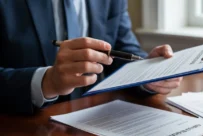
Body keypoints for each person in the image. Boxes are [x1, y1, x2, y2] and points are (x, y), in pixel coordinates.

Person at [0, 0, 182, 114]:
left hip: (91, 125)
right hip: (20, 131)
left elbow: (121, 47)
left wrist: (146, 73)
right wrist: (46, 82)